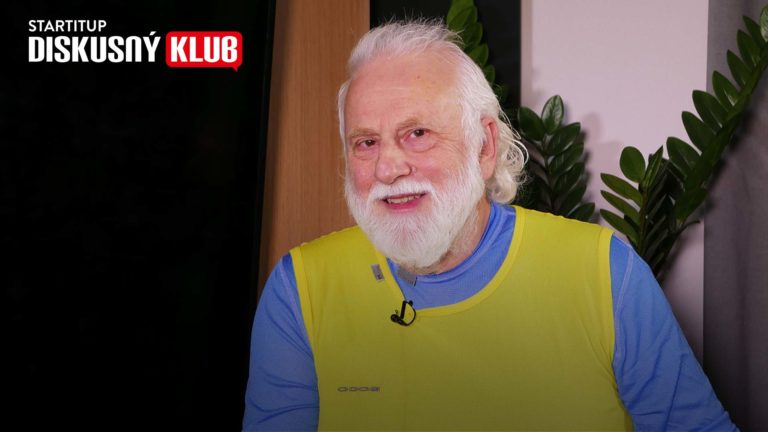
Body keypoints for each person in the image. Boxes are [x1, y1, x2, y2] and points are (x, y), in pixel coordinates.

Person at [243, 20, 736, 431]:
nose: (387, 168)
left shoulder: (606, 274)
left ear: (484, 147)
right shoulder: (300, 290)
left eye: (417, 133)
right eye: (365, 142)